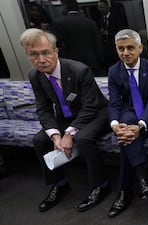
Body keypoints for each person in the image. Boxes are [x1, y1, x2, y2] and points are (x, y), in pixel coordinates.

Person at [19, 28, 111, 212]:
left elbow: (90, 106)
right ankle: (59, 184)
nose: (41, 59)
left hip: (97, 113)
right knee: (40, 140)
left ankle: (100, 185)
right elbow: (43, 108)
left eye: (45, 52)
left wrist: (69, 133)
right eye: (34, 55)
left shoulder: (79, 70)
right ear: (27, 56)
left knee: (83, 138)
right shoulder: (35, 76)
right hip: (67, 116)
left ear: (55, 51)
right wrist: (55, 136)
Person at [106, 29, 148, 218]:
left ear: (140, 48)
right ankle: (141, 177)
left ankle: (124, 191)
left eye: (130, 48)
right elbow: (114, 102)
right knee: (125, 127)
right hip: (128, 120)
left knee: (127, 134)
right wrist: (114, 125)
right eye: (120, 49)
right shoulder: (114, 71)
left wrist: (141, 125)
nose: (125, 53)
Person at [52, 0, 105, 76]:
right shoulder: (90, 22)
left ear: (65, 7)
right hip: (91, 63)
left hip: (70, 65)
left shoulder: (58, 23)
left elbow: (57, 45)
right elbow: (98, 45)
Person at [96, 0, 129, 69]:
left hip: (116, 47)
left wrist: (107, 33)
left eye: (101, 7)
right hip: (106, 50)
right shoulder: (100, 20)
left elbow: (121, 32)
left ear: (108, 7)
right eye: (98, 7)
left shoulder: (117, 18)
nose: (99, 9)